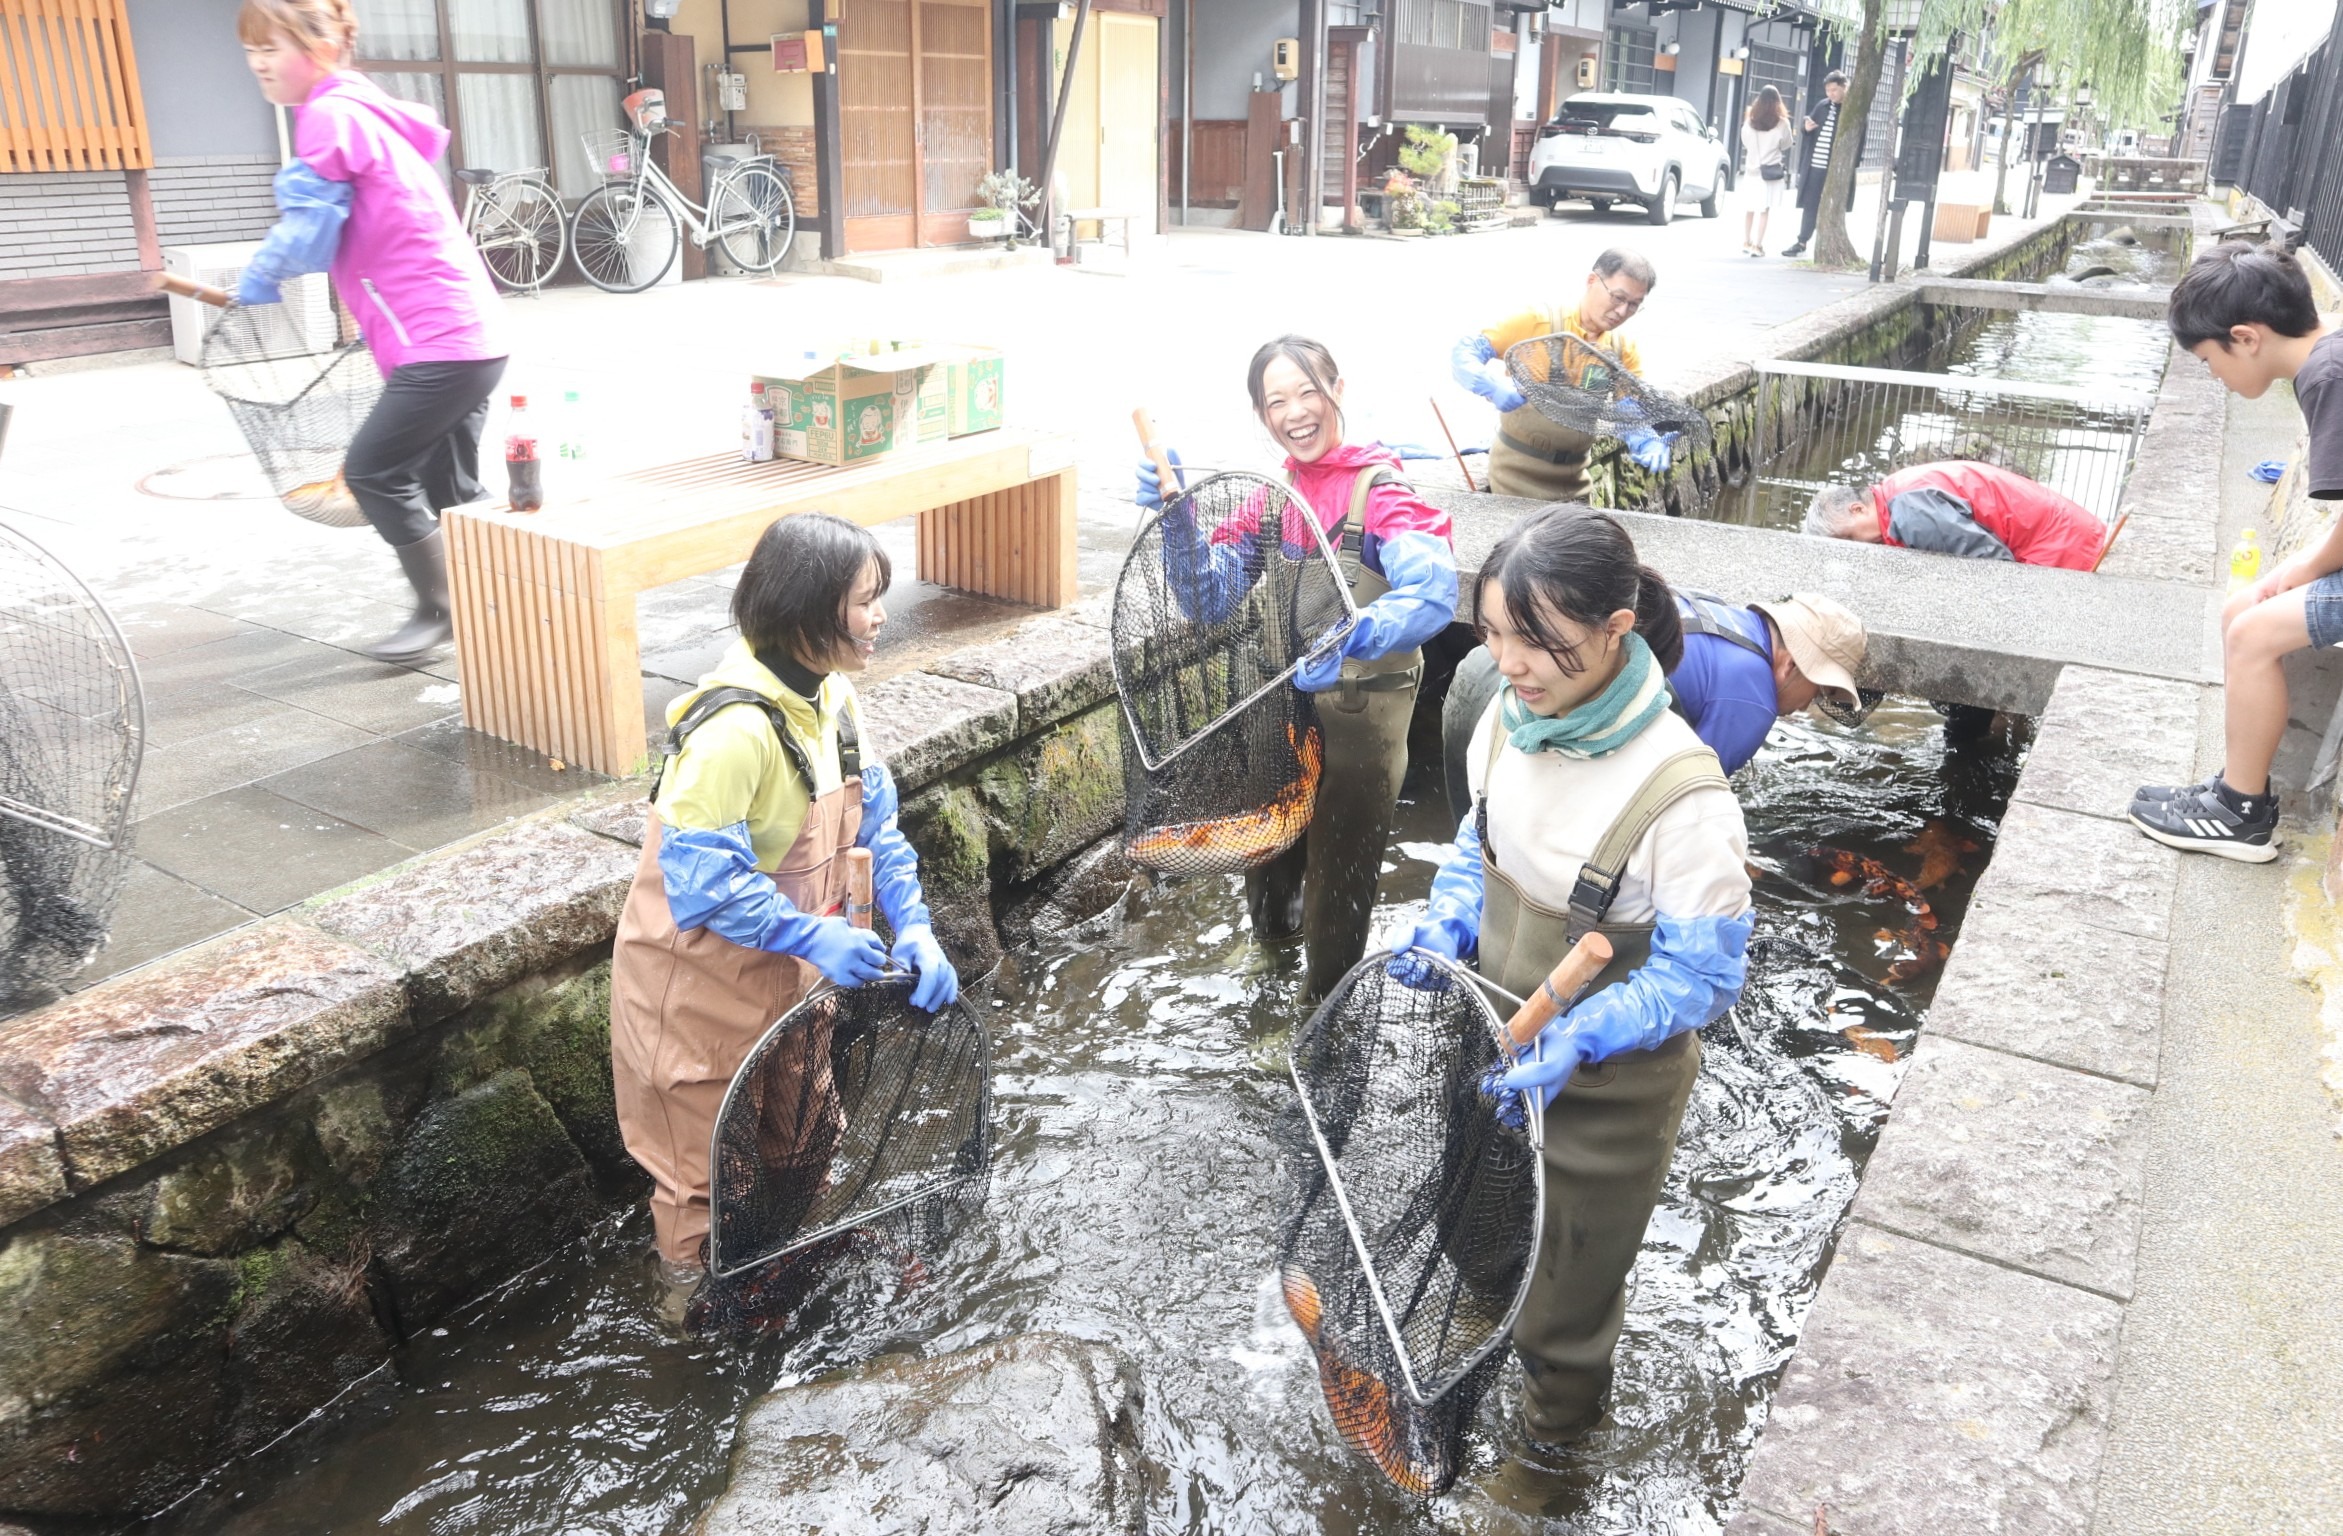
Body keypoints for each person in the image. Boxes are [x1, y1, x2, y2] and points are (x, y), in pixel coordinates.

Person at [1392, 508, 1752, 1458]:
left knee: (1565, 1307)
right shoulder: (1506, 731)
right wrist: (1448, 915)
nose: (1508, 665)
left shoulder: (1684, 796)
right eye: (1494, 635)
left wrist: (1586, 1033)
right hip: (1492, 1031)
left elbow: (1703, 975)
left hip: (1608, 1089)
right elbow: (1480, 841)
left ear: (1613, 632)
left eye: (1537, 642)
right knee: (1475, 1237)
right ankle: (1471, 1367)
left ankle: (1550, 1460)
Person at [609, 514, 961, 1321]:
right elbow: (700, 885)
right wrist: (809, 932)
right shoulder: (732, 732)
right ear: (806, 609)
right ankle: (686, 1332)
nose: (879, 618)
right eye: (864, 602)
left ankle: (781, 1274)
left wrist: (912, 923)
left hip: (792, 987)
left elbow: (877, 828)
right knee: (700, 1183)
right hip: (694, 995)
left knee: (805, 1142)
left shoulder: (832, 701)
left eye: (877, 598)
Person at [1135, 337, 1458, 998]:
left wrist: (1361, 632)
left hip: (1361, 722)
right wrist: (1177, 516)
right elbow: (1209, 600)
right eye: (1275, 400)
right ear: (1261, 414)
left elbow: (1431, 593)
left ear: (1337, 388)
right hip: (1281, 714)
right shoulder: (1274, 497)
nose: (1295, 411)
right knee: (1271, 854)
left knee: (1342, 871)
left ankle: (1324, 1009)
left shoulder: (1382, 491)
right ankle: (1270, 965)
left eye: (1307, 391)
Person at [237, 0, 508, 664]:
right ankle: (499, 607)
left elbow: (309, 227)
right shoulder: (365, 110)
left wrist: (266, 269)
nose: (259, 64)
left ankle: (439, 613)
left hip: (437, 341)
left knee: (374, 470)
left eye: (273, 47)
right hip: (468, 333)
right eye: (251, 50)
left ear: (324, 46)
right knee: (453, 489)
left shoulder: (328, 114)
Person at [2130, 241, 2341, 860]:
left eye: (2207, 359)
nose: (2213, 376)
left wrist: (2302, 566)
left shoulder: (2329, 377)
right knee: (2239, 611)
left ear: (2246, 337)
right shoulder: (2328, 351)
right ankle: (2234, 788)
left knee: (2252, 633)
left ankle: (2239, 817)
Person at [1441, 585, 1872, 816]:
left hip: (1485, 673)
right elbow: (1687, 799)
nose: (1804, 708)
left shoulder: (1717, 610)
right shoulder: (1754, 699)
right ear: (1791, 666)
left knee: (1477, 838)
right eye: (1816, 691)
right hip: (1540, 704)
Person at [1450, 249, 1672, 502]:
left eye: (1633, 305)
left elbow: (1629, 409)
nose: (1622, 311)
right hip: (1516, 473)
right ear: (1592, 281)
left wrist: (1645, 438)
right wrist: (1490, 385)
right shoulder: (1538, 322)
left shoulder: (1622, 350)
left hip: (1575, 478)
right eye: (1617, 297)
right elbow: (1466, 350)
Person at [1802, 460, 2108, 569]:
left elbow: (1993, 565)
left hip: (2065, 551)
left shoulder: (1909, 514)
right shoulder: (1896, 490)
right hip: (2068, 533)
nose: (1859, 547)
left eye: (1850, 538)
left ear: (1858, 509)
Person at [1782, 71, 1859, 259]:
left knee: (1833, 205)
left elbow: (1858, 140)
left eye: (1834, 90)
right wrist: (1805, 129)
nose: (1831, 94)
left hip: (1836, 169)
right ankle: (1802, 241)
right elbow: (1808, 129)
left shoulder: (1852, 109)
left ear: (1844, 87)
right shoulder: (1822, 106)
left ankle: (1829, 241)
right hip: (1815, 165)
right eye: (1828, 90)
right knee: (1810, 204)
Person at [1740, 86, 1792, 258]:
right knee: (1764, 209)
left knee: (1750, 207)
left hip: (1751, 170)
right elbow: (1786, 144)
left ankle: (1746, 241)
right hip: (1769, 173)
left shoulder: (1750, 121)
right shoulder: (1782, 123)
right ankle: (1758, 245)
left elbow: (1745, 141)